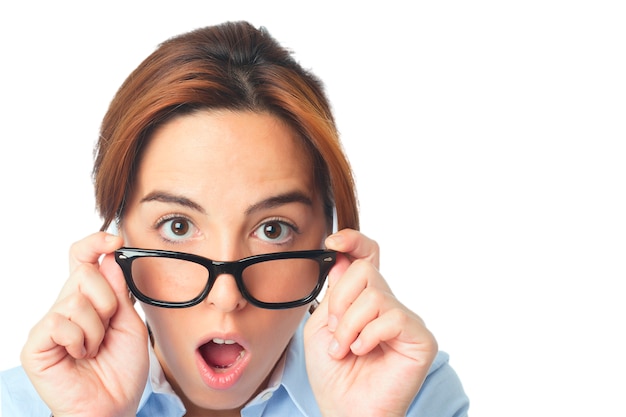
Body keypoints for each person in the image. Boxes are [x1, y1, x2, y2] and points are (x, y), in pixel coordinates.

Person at [0, 21, 469, 416]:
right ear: (117, 244)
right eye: (178, 226)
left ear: (332, 247)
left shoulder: (409, 391)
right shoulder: (27, 402)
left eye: (273, 230)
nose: (227, 298)